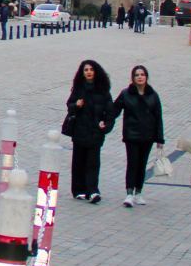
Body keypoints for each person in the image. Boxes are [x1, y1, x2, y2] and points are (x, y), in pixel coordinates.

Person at [65, 59, 113, 203]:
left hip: (95, 132)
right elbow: (69, 105)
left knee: (93, 163)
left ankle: (92, 191)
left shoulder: (103, 91)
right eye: (86, 70)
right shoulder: (78, 89)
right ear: (82, 73)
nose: (89, 72)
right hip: (79, 131)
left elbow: (110, 112)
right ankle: (79, 190)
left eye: (91, 70)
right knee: (78, 162)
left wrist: (106, 126)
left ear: (96, 72)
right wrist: (76, 105)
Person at [116, 65, 165, 207]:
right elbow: (115, 109)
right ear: (133, 78)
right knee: (132, 163)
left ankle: (138, 192)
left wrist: (159, 138)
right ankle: (129, 193)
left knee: (142, 164)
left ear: (146, 77)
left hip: (147, 136)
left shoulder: (153, 95)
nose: (140, 77)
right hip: (131, 135)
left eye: (142, 74)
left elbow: (158, 117)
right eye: (137, 75)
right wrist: (104, 121)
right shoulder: (126, 94)